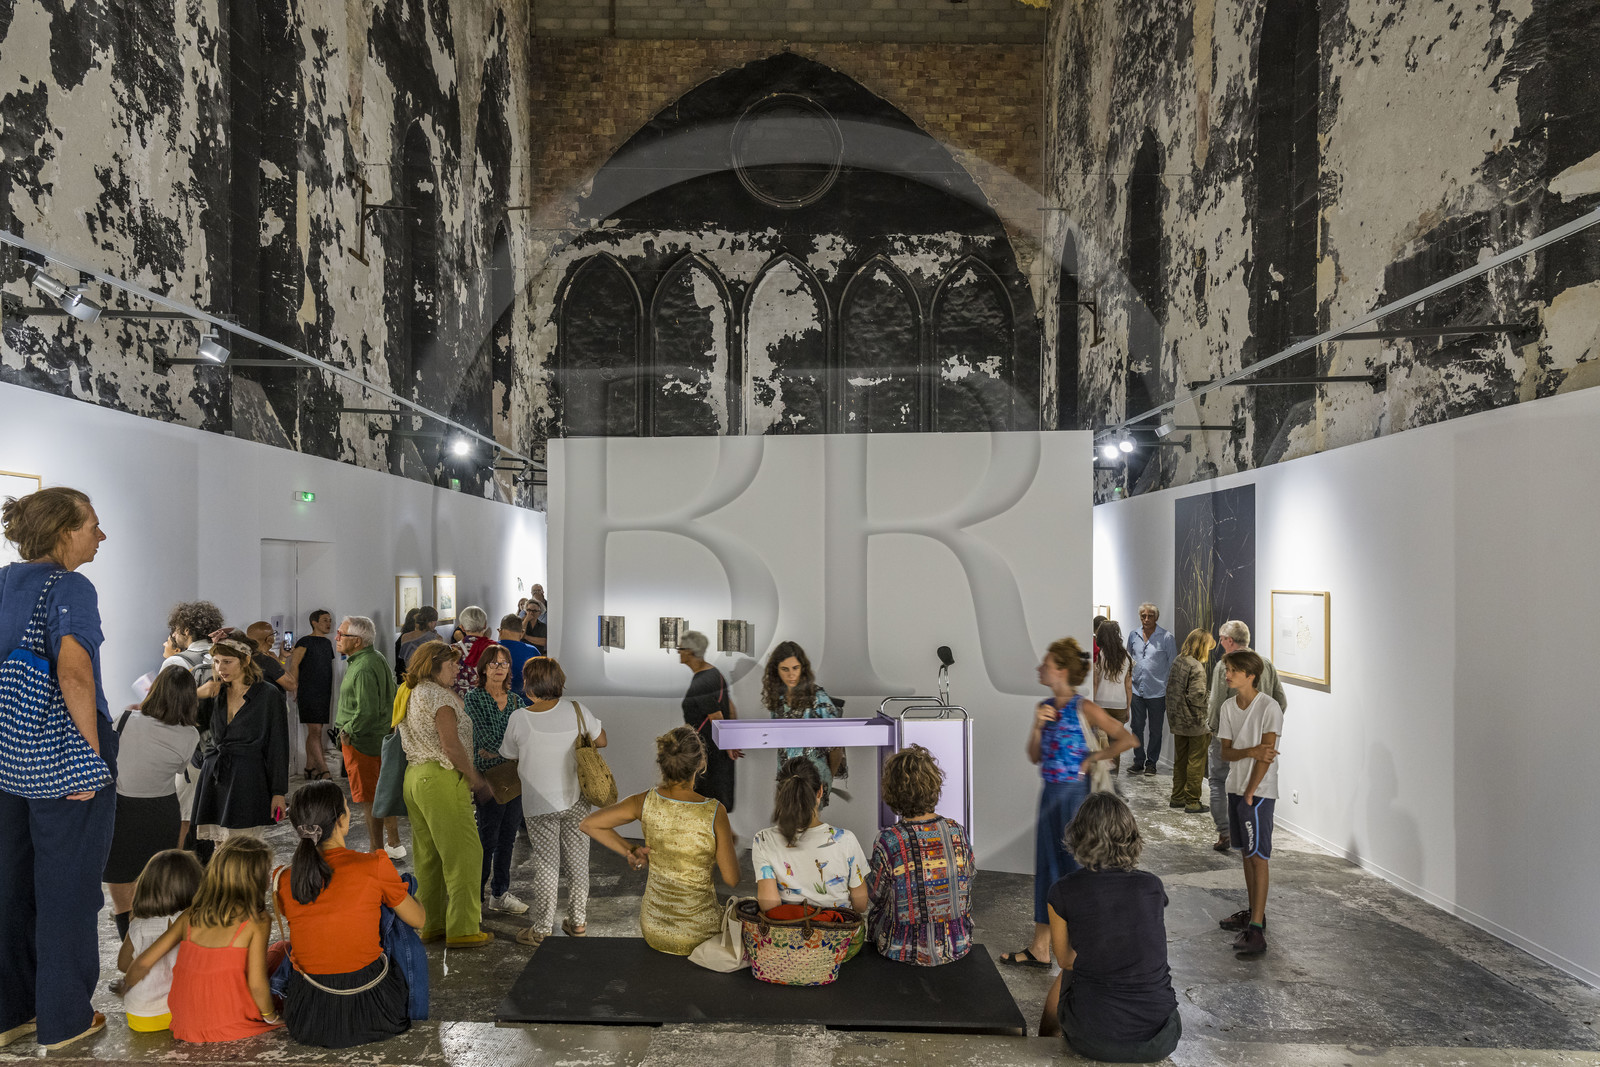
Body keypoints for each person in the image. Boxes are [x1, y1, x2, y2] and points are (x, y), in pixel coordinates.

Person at [0, 486, 115, 1050]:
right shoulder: (71, 585)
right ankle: (65, 1018)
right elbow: (74, 671)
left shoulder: (1, 581)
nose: (100, 535)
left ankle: (10, 1013)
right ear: (66, 531)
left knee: (9, 883)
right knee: (68, 887)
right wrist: (89, 759)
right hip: (58, 757)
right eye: (93, 524)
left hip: (5, 755)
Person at [1002, 637, 1136, 969]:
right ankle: (1040, 948)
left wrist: (1095, 757)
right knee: (1047, 869)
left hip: (1076, 798)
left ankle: (1086, 947)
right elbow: (1034, 757)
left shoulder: (1083, 707)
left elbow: (1127, 737)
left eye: (1045, 664)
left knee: (1077, 870)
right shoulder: (1044, 707)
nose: (1040, 669)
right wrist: (1037, 726)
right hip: (1050, 794)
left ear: (1060, 670)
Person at [273, 780, 422, 1047]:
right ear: (342, 820)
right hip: (376, 1011)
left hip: (307, 1018)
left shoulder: (283, 879)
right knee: (399, 896)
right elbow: (418, 920)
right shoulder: (374, 864)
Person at [1039, 793, 1181, 1062]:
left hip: (1090, 1038)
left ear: (1078, 837)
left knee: (1068, 974)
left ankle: (1045, 1044)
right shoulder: (1151, 886)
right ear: (1131, 837)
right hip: (1160, 1037)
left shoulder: (1062, 891)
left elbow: (1065, 960)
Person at [581, 726, 739, 956]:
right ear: (701, 763)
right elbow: (732, 878)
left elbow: (589, 824)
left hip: (654, 928)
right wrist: (719, 848)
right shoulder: (715, 812)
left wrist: (631, 849)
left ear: (662, 763)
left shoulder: (643, 801)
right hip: (700, 931)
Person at [124, 836, 286, 1042]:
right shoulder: (257, 920)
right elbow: (256, 984)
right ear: (258, 879)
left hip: (184, 1025)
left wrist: (126, 986)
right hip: (229, 1023)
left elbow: (145, 961)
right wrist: (271, 1017)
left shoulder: (191, 913)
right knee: (281, 951)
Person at [500, 657, 605, 945]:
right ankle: (578, 922)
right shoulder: (577, 710)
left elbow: (508, 753)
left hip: (539, 803)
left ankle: (543, 928)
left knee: (547, 864)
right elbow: (602, 740)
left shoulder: (520, 718)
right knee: (578, 862)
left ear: (529, 685)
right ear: (559, 682)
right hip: (576, 799)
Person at [397, 642, 494, 948]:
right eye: (451, 665)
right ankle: (463, 928)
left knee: (428, 856)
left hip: (415, 777)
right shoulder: (438, 696)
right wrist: (475, 778)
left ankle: (432, 924)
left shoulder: (410, 691)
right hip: (440, 777)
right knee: (465, 854)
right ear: (435, 665)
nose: (456, 669)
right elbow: (450, 746)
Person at [105, 667, 201, 941]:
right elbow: (180, 766)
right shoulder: (190, 735)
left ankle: (132, 961)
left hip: (122, 811)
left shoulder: (123, 719)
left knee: (123, 894)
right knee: (157, 889)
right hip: (161, 812)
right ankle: (159, 958)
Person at [866, 745, 974, 966]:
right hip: (957, 943)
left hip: (901, 949)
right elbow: (969, 877)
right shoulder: (956, 830)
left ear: (892, 791)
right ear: (934, 785)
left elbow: (875, 894)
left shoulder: (889, 840)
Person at [190, 631, 290, 847]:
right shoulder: (213, 689)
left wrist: (278, 791)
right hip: (216, 776)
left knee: (245, 847)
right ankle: (224, 882)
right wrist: (198, 694)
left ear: (245, 660)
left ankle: (243, 882)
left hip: (248, 778)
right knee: (220, 847)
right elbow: (186, 721)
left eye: (227, 661)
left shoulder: (267, 695)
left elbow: (277, 745)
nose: (220, 668)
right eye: (216, 661)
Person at [1217, 649, 1283, 957]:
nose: (1227, 674)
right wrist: (1251, 751)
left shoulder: (1269, 708)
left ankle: (1256, 930)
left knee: (1259, 856)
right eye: (1227, 669)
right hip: (1236, 787)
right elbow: (1226, 753)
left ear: (1250, 675)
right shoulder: (1228, 707)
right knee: (1245, 853)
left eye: (1232, 670)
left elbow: (1267, 755)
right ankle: (1255, 913)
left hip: (1258, 794)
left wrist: (1250, 790)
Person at [1206, 620, 1287, 853]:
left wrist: (1213, 729)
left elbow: (1216, 704)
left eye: (1221, 639)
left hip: (1228, 740)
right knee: (1250, 786)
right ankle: (1247, 832)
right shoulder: (1267, 664)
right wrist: (1266, 729)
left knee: (1219, 782)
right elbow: (1281, 701)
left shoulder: (1224, 667)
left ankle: (1225, 832)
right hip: (1260, 743)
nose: (1220, 644)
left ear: (1230, 641)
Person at [752, 757, 869, 913]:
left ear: (781, 794)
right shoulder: (846, 840)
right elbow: (860, 905)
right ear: (820, 791)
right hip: (838, 934)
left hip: (787, 934)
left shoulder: (763, 840)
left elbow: (770, 906)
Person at [464, 644, 527, 915]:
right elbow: (482, 736)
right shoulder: (473, 698)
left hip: (514, 778)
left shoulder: (516, 701)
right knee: (486, 838)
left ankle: (500, 893)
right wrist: (510, 751)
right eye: (494, 663)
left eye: (504, 664)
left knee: (508, 837)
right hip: (488, 779)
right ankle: (475, 898)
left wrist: (499, 751)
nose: (499, 668)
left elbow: (524, 737)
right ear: (483, 668)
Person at [333, 616, 403, 858]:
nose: (337, 638)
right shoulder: (375, 658)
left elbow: (367, 710)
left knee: (369, 797)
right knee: (382, 791)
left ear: (357, 641)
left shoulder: (362, 667)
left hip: (363, 742)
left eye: (341, 634)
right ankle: (393, 842)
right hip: (378, 738)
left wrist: (347, 731)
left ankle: (376, 849)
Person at [116, 850, 204, 1033]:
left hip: (141, 1016)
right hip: (184, 1012)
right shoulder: (192, 921)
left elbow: (123, 965)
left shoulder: (138, 924)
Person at [761, 640, 844, 802]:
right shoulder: (777, 699)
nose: (791, 675)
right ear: (776, 671)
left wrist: (828, 778)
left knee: (806, 823)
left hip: (813, 775)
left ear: (802, 668)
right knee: (787, 823)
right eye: (785, 669)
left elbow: (836, 746)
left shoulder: (817, 697)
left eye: (795, 668)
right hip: (786, 774)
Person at [676, 629, 739, 811]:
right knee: (715, 804)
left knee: (706, 803)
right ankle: (726, 836)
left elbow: (716, 717)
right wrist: (732, 742)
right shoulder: (715, 673)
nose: (678, 652)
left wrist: (729, 746)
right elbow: (731, 709)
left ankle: (718, 838)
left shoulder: (701, 683)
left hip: (707, 753)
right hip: (717, 749)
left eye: (681, 648)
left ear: (690, 651)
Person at [1166, 628, 1215, 814]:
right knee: (1196, 761)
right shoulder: (1196, 667)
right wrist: (1210, 699)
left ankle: (1177, 797)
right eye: (1208, 648)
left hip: (1178, 721)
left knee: (1180, 759)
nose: (1208, 652)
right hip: (1195, 723)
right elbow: (1197, 696)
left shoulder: (1178, 661)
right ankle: (1192, 801)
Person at [1126, 603, 1176, 776]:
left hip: (1158, 691)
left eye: (1150, 616)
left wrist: (1169, 688)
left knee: (1155, 730)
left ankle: (1151, 763)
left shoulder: (1167, 637)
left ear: (1156, 617)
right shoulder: (1133, 635)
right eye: (1143, 616)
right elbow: (1128, 660)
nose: (1146, 619)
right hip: (1136, 689)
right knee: (1136, 726)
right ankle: (1138, 761)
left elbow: (1172, 664)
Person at [287, 610, 336, 781]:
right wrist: (294, 686)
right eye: (324, 620)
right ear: (314, 622)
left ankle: (309, 767)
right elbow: (294, 665)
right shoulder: (305, 641)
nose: (328, 623)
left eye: (329, 620)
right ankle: (323, 770)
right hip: (309, 690)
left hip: (323, 691)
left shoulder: (327, 643)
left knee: (316, 730)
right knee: (315, 730)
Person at [1092, 620, 1132, 774]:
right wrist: (1127, 708)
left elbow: (1095, 683)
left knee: (1100, 744)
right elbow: (1128, 686)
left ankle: (1101, 781)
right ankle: (1113, 783)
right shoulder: (1126, 657)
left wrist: (1092, 703)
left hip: (1101, 704)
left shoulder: (1099, 656)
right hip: (1119, 705)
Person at [450, 606, 496, 696]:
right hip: (487, 702)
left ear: (462, 628)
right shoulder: (495, 649)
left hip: (459, 703)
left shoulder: (451, 650)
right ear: (485, 625)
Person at [496, 613, 541, 698]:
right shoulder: (533, 651)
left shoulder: (490, 649)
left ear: (500, 631)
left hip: (495, 704)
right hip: (526, 704)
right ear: (522, 633)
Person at [244, 621, 294, 696]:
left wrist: (282, 657)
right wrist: (278, 661)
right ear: (269, 640)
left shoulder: (245, 657)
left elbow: (274, 672)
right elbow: (292, 685)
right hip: (272, 705)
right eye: (273, 634)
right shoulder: (266, 660)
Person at [523, 585, 548, 652]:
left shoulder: (542, 626)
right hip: (524, 653)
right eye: (529, 610)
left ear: (539, 613)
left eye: (534, 611)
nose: (531, 613)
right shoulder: (521, 622)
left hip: (538, 654)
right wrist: (526, 620)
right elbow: (519, 635)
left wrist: (526, 637)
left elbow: (543, 641)